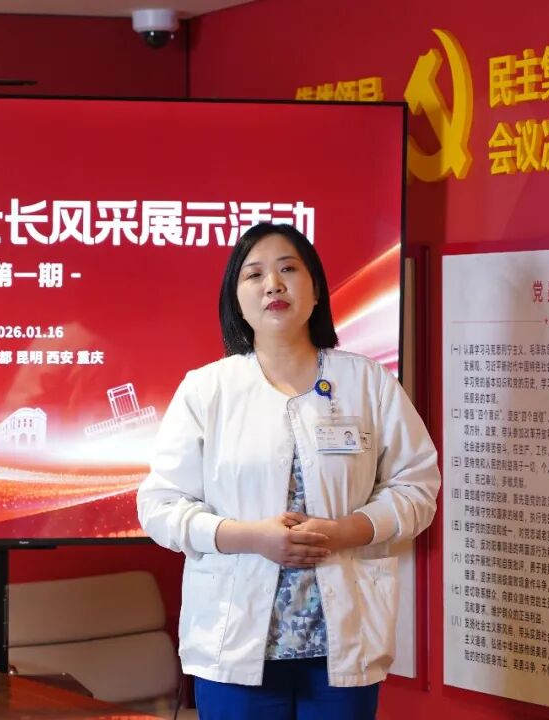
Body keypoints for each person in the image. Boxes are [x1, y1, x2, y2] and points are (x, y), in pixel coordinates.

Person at [137, 222, 440, 719]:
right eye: (254, 274)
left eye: (288, 270)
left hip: (343, 643)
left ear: (315, 290)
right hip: (234, 642)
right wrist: (250, 537)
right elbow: (160, 506)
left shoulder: (366, 381)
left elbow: (416, 487)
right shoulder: (206, 390)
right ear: (236, 300)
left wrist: (346, 531)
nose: (273, 284)